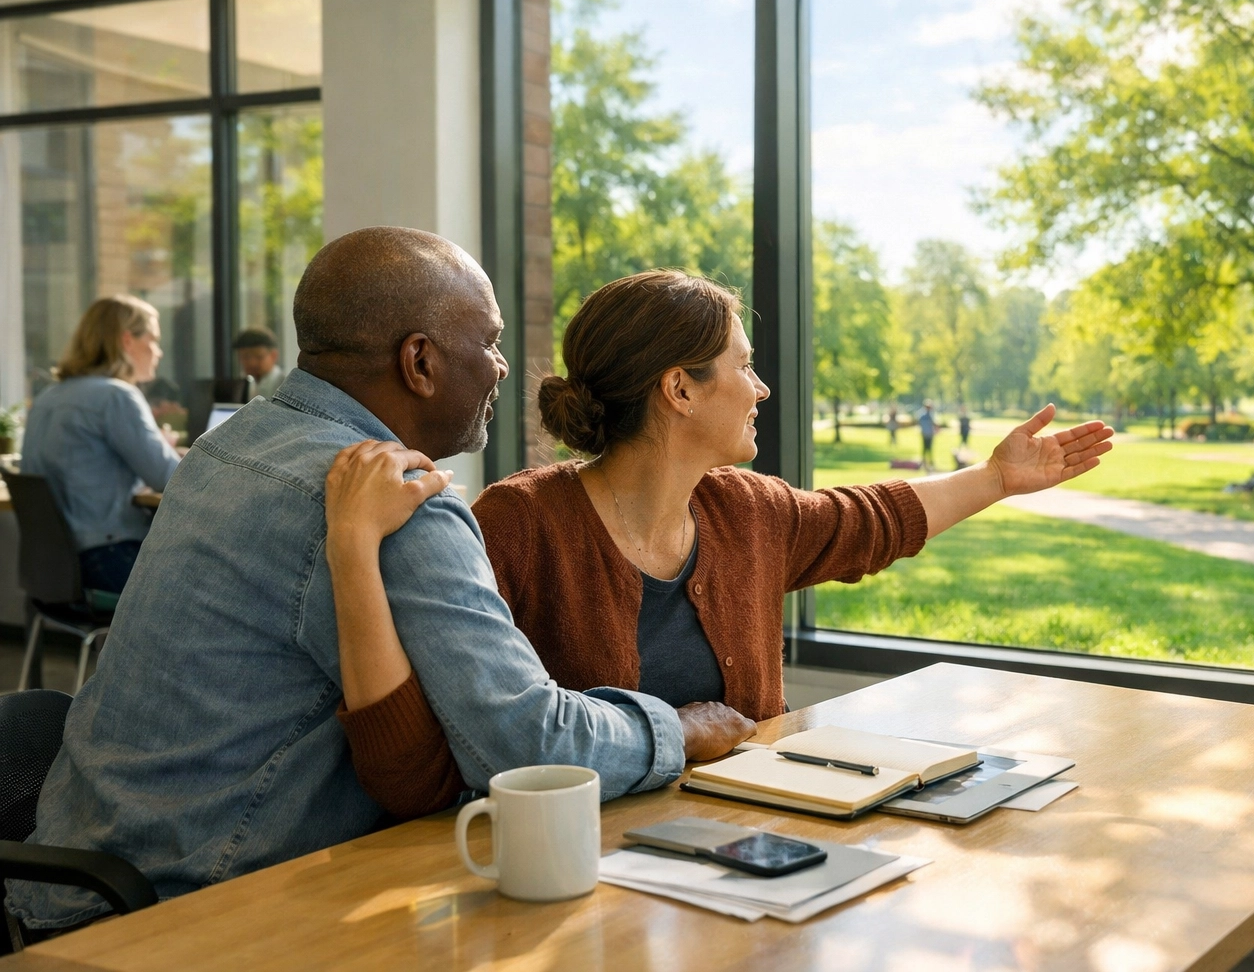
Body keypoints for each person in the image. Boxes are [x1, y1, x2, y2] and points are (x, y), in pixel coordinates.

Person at [6, 229, 753, 936]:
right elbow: (528, 745)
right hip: (197, 910)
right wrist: (681, 729)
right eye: (489, 342)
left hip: (71, 878)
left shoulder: (226, 447)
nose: (501, 366)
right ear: (420, 363)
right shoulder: (399, 505)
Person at [332, 269, 1114, 819]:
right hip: (588, 878)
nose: (761, 388)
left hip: (746, 852)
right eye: (743, 366)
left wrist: (997, 478)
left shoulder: (746, 510)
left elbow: (869, 520)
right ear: (679, 389)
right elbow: (436, 757)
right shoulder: (520, 522)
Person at [20, 296, 180, 595]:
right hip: (108, 559)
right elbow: (171, 479)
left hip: (54, 567)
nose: (158, 352)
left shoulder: (47, 398)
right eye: (153, 340)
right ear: (126, 340)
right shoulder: (117, 396)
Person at [233, 327, 287, 398]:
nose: (252, 363)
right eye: (245, 357)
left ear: (273, 356)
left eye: (259, 357)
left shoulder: (286, 385)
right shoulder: (238, 385)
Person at [917, 400, 937, 471]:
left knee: (928, 449)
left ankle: (928, 462)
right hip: (926, 434)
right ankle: (925, 462)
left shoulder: (925, 415)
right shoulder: (925, 415)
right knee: (925, 449)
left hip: (928, 434)